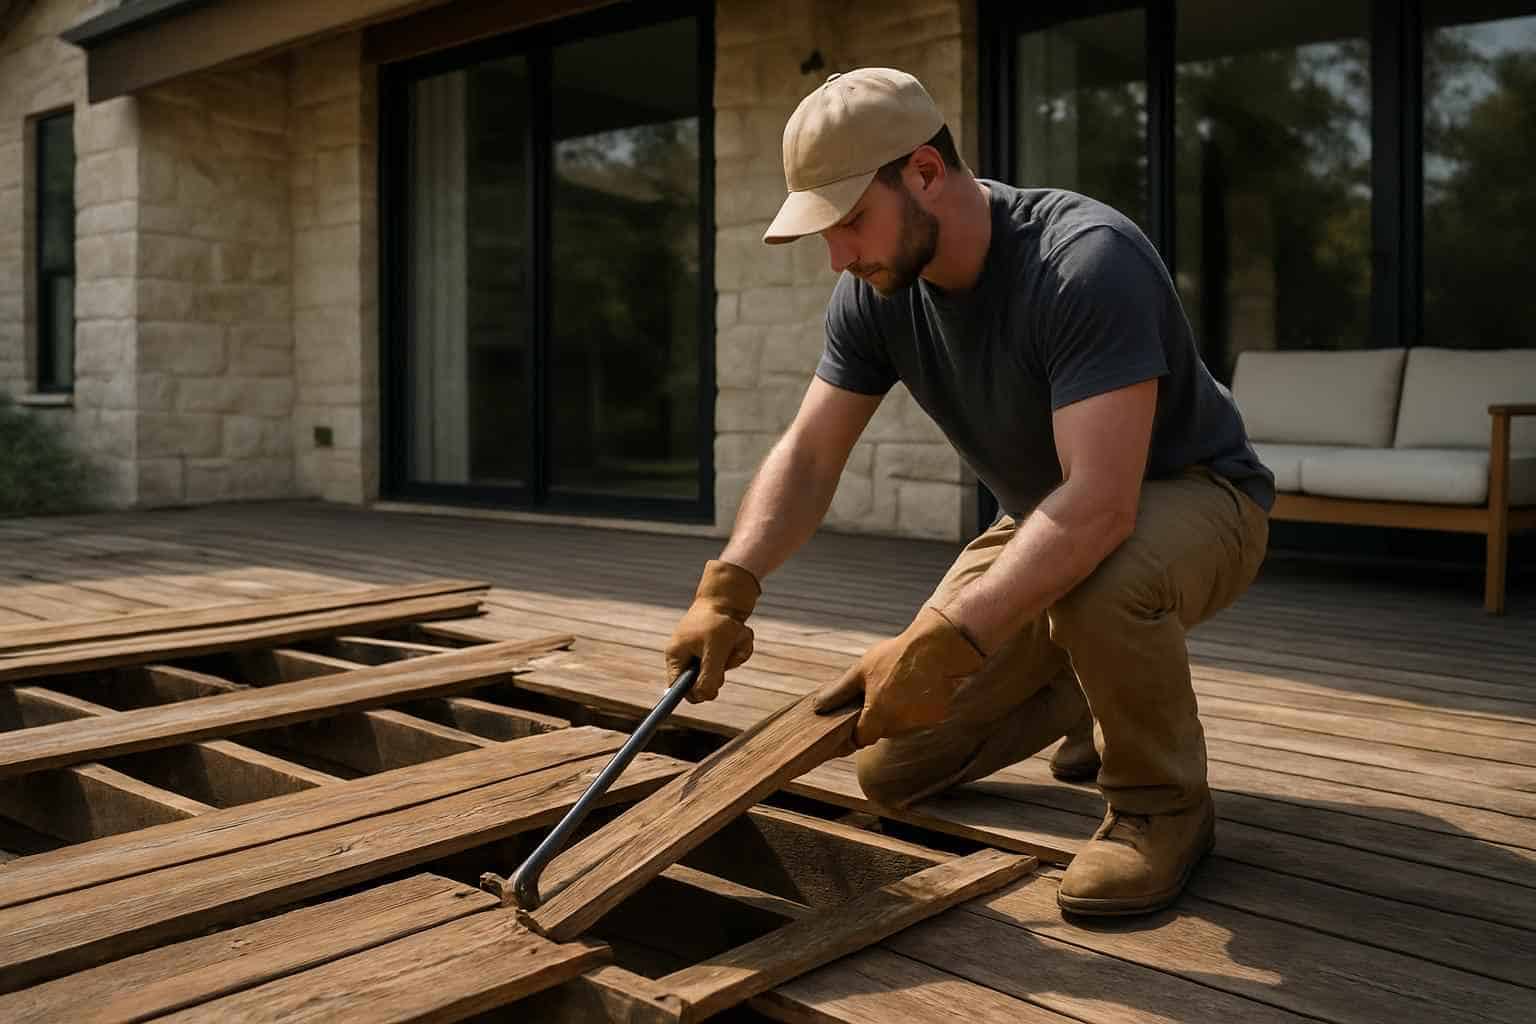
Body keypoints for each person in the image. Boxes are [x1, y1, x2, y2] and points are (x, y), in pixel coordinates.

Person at [664, 67, 1273, 916]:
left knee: (1104, 579)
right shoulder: (876, 291)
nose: (838, 256)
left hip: (1199, 498)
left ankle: (1160, 807)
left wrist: (951, 638)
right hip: (1047, 520)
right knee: (895, 765)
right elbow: (808, 455)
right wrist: (730, 585)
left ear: (923, 171)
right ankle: (1083, 683)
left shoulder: (1084, 261)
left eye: (849, 221)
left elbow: (1102, 503)